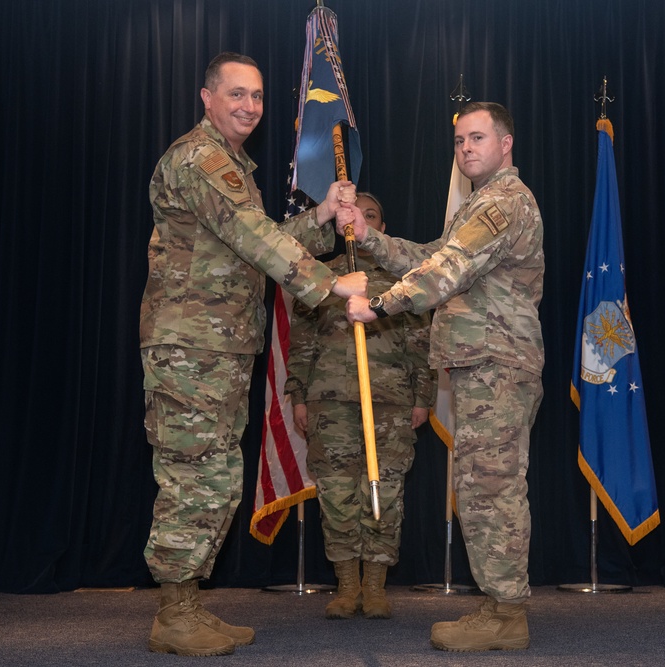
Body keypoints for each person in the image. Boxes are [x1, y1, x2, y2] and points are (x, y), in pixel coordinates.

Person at [139, 52, 367, 657]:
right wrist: (329, 283)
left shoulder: (233, 166)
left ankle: (184, 604)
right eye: (236, 94)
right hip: (192, 346)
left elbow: (254, 240)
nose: (249, 106)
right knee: (193, 476)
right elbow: (254, 237)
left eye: (258, 97)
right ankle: (172, 610)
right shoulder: (202, 158)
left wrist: (320, 215)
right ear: (207, 98)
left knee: (213, 475)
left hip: (217, 348)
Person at [337, 102, 544, 651]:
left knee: (492, 491)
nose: (466, 148)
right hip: (483, 364)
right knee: (480, 489)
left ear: (506, 144)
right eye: (459, 141)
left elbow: (447, 271)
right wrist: (374, 239)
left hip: (498, 364)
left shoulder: (503, 203)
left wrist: (377, 306)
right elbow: (435, 255)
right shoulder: (477, 207)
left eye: (477, 138)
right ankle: (499, 605)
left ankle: (506, 614)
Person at [285, 193, 436, 621]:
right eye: (354, 215)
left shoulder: (400, 280)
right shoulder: (321, 279)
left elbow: (420, 346)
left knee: (385, 491)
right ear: (340, 224)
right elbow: (302, 344)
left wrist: (422, 397)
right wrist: (299, 396)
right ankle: (347, 585)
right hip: (329, 402)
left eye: (371, 215)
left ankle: (375, 587)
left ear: (381, 227)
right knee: (336, 493)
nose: (360, 221)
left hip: (389, 402)